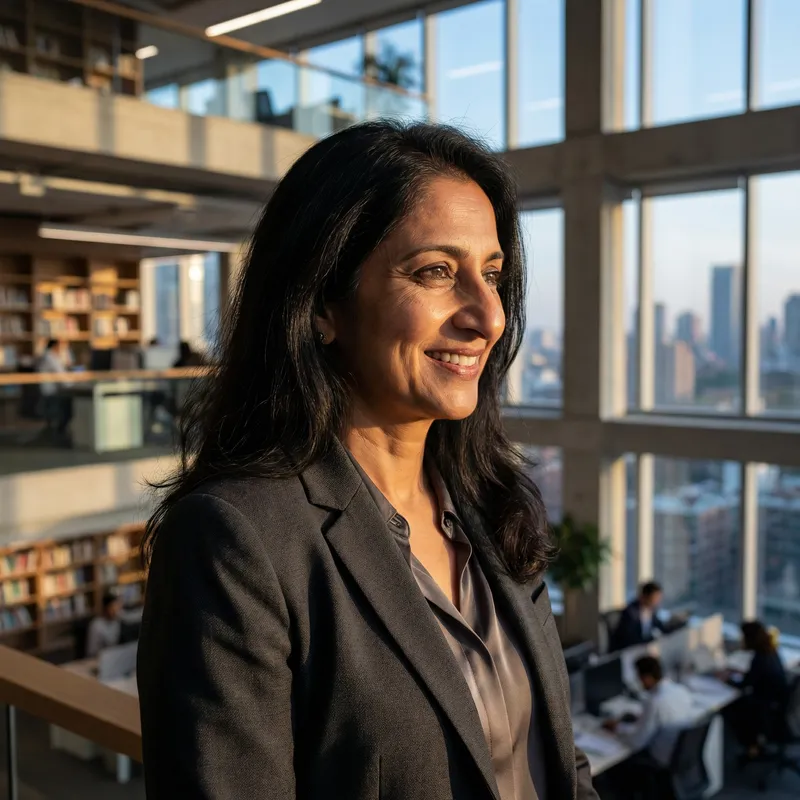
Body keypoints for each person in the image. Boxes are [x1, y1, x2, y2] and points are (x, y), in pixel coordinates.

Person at [138, 121, 599, 799]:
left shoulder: (488, 500)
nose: (489, 317)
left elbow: (558, 761)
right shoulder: (237, 541)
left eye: (493, 275)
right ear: (324, 302)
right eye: (437, 271)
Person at [603, 656, 696, 797]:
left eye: (639, 678)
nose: (640, 683)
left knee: (616, 768)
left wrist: (618, 728)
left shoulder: (655, 702)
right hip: (680, 754)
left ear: (646, 678)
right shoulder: (680, 691)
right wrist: (641, 720)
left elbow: (637, 742)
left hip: (661, 757)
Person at [727, 620, 788, 757]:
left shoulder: (759, 659)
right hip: (775, 704)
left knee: (732, 707)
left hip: (765, 707)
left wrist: (725, 679)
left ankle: (750, 745)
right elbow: (756, 677)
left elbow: (744, 685)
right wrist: (741, 673)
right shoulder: (771, 651)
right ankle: (752, 743)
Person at [611, 581, 667, 651]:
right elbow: (630, 638)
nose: (657, 601)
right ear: (645, 597)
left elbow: (660, 626)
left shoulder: (651, 610)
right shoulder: (630, 613)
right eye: (655, 598)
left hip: (643, 648)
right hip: (629, 651)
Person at [37, 339, 72, 436]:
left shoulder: (47, 356)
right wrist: (73, 385)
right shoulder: (50, 357)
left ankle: (59, 429)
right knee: (70, 404)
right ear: (55, 346)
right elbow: (60, 376)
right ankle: (61, 430)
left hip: (50, 391)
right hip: (52, 392)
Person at [87, 592, 122, 658]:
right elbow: (92, 651)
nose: (115, 611)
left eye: (117, 608)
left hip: (115, 657)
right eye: (112, 608)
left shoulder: (117, 622)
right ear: (105, 608)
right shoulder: (96, 625)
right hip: (99, 659)